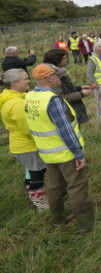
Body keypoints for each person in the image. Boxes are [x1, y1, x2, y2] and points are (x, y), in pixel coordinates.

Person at [24, 65, 95, 231]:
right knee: (77, 186)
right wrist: (78, 153)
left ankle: (58, 219)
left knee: (54, 186)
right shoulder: (52, 101)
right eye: (57, 75)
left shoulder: (30, 97)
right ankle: (87, 224)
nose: (59, 78)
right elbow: (65, 130)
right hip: (65, 153)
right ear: (49, 78)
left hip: (46, 153)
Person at [1, 69, 49, 211]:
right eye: (25, 79)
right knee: (37, 172)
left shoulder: (14, 98)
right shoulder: (15, 104)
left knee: (31, 170)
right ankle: (40, 203)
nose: (29, 81)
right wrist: (42, 138)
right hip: (28, 145)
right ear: (14, 83)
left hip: (21, 144)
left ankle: (32, 194)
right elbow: (27, 128)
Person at [43, 49, 93, 127]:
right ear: (57, 60)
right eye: (64, 58)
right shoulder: (54, 78)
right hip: (67, 114)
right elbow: (61, 98)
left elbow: (67, 90)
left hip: (71, 110)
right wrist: (81, 94)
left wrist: (80, 88)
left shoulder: (61, 73)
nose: (66, 60)